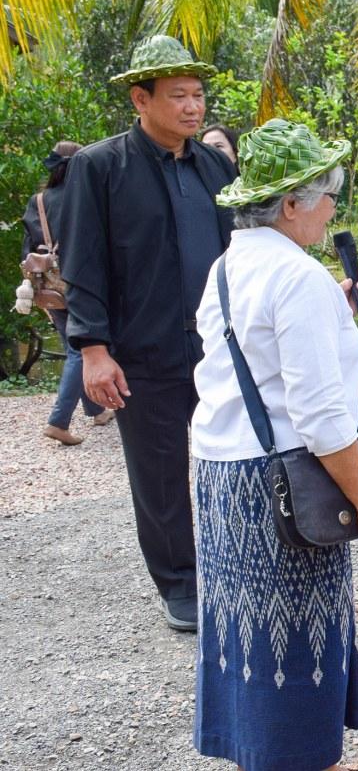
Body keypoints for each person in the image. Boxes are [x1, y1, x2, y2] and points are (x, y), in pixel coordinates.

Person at [190, 118, 358, 771]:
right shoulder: (299, 279)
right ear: (290, 204)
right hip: (282, 483)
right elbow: (322, 421)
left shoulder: (228, 267)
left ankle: (260, 751)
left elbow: (256, 349)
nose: (334, 208)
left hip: (223, 475)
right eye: (328, 195)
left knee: (244, 635)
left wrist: (333, 306)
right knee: (294, 642)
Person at [58, 34, 238, 631]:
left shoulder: (216, 166)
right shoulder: (99, 167)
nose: (193, 107)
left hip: (216, 349)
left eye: (198, 95)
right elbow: (82, 263)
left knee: (231, 461)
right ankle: (181, 585)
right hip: (143, 351)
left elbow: (240, 251)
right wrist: (94, 350)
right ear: (141, 99)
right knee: (159, 477)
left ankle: (231, 567)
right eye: (178, 95)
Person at [16, 142, 112, 445]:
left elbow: (27, 247)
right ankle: (58, 421)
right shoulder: (82, 197)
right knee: (80, 350)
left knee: (75, 345)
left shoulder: (38, 200)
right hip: (82, 283)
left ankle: (97, 410)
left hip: (49, 288)